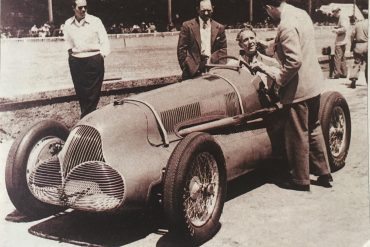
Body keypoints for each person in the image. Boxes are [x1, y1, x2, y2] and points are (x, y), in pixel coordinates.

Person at [253, 0, 332, 191]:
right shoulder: (300, 14)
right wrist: (270, 44)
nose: (269, 16)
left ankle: (300, 180)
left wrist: (279, 78)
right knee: (314, 128)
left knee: (297, 133)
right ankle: (324, 173)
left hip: (299, 89)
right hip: (313, 83)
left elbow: (294, 61)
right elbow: (297, 41)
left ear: (269, 7)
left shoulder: (285, 24)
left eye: (267, 12)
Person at [63, 0, 110, 118]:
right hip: (76, 61)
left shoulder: (96, 21)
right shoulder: (68, 24)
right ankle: (88, 118)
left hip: (93, 60)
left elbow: (105, 42)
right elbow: (67, 42)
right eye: (80, 8)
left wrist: (100, 56)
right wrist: (72, 56)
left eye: (85, 7)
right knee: (82, 94)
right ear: (73, 8)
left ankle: (85, 119)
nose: (83, 10)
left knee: (93, 95)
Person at [177, 0, 227, 80]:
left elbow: (223, 50)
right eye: (203, 10)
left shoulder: (219, 27)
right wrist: (186, 67)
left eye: (208, 10)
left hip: (213, 69)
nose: (206, 13)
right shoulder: (187, 26)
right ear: (198, 10)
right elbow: (181, 49)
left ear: (212, 9)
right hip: (192, 71)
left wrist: (221, 70)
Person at [348, 13, 368, 88]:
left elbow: (352, 35)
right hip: (367, 45)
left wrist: (352, 45)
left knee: (356, 63)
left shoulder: (358, 24)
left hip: (358, 45)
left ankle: (353, 79)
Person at [331, 7, 350, 79]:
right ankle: (344, 73)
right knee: (342, 58)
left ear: (337, 12)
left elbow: (344, 28)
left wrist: (336, 30)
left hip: (340, 41)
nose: (333, 14)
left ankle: (336, 74)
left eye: (334, 12)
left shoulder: (342, 17)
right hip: (344, 41)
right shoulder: (344, 17)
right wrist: (338, 28)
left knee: (337, 58)